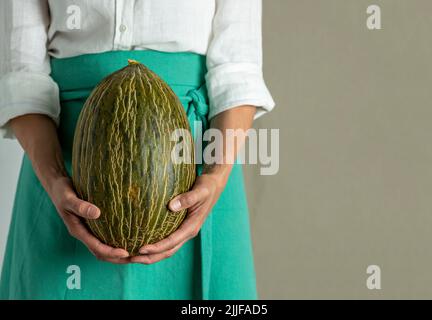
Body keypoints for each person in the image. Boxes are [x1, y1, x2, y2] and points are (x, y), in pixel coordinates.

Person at [0, 0, 275, 299]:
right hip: (65, 166)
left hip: (196, 168)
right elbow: (22, 73)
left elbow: (238, 66)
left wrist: (216, 174)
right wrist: (54, 179)